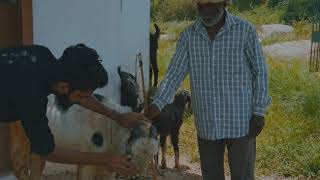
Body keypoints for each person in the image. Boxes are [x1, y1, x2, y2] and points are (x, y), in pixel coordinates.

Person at [145, 0, 271, 179]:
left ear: (224, 4)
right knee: (211, 175)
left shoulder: (244, 30)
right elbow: (174, 74)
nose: (206, 11)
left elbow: (260, 71)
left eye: (212, 5)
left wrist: (259, 111)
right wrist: (157, 104)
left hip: (241, 121)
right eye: (201, 6)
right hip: (207, 123)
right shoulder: (189, 35)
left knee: (243, 175)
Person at [0, 44, 148, 178]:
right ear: (64, 87)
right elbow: (47, 151)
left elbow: (82, 97)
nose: (83, 100)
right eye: (81, 95)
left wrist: (117, 116)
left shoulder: (42, 56)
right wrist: (106, 159)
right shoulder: (32, 97)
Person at [149, 23, 160, 87]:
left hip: (152, 49)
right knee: (152, 67)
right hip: (152, 49)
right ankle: (153, 83)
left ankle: (154, 83)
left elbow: (157, 34)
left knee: (153, 67)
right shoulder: (152, 37)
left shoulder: (151, 37)